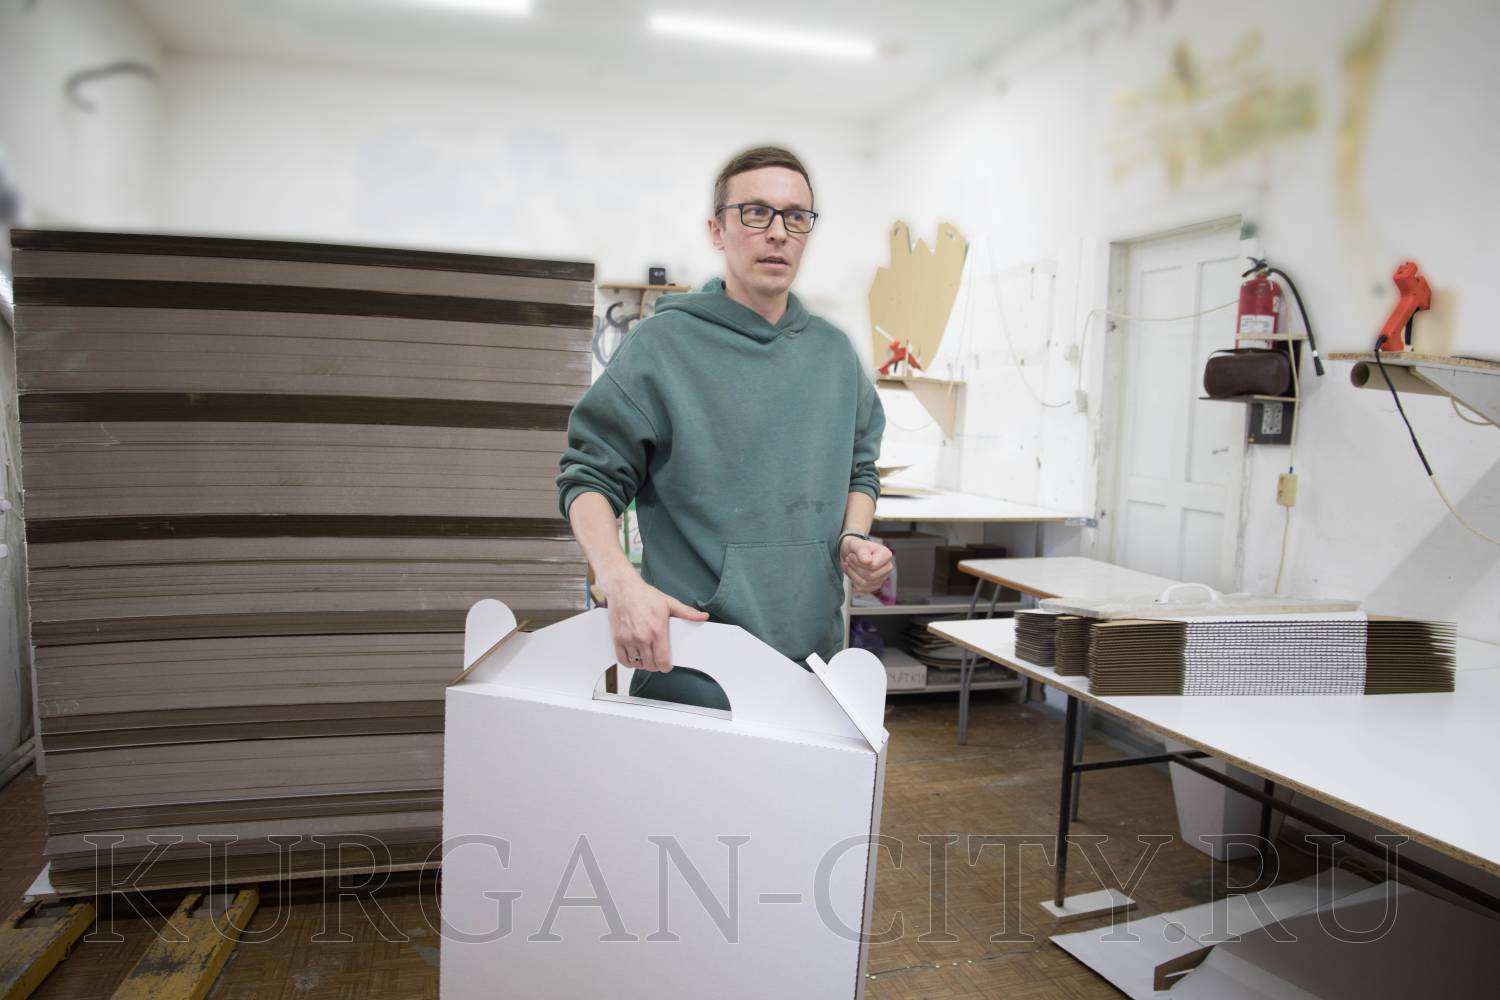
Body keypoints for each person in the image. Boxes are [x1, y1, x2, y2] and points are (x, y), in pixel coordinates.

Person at [556, 145, 892, 709]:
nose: (778, 232)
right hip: (693, 665)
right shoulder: (661, 348)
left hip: (814, 666)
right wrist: (618, 580)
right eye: (756, 212)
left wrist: (853, 538)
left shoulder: (835, 355)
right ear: (717, 230)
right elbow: (588, 478)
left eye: (796, 216)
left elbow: (861, 466)